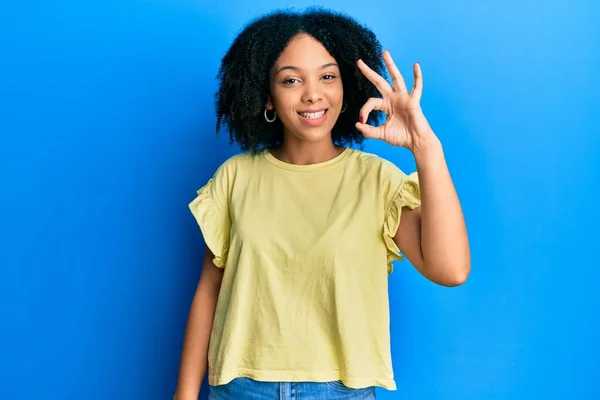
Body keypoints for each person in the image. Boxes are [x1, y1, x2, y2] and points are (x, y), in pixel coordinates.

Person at [174, 7, 470, 400]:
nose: (313, 93)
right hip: (239, 389)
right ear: (267, 96)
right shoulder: (236, 177)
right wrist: (184, 394)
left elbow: (450, 270)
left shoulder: (377, 181)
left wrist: (425, 147)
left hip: (340, 391)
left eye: (328, 76)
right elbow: (209, 291)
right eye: (291, 80)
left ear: (346, 87)